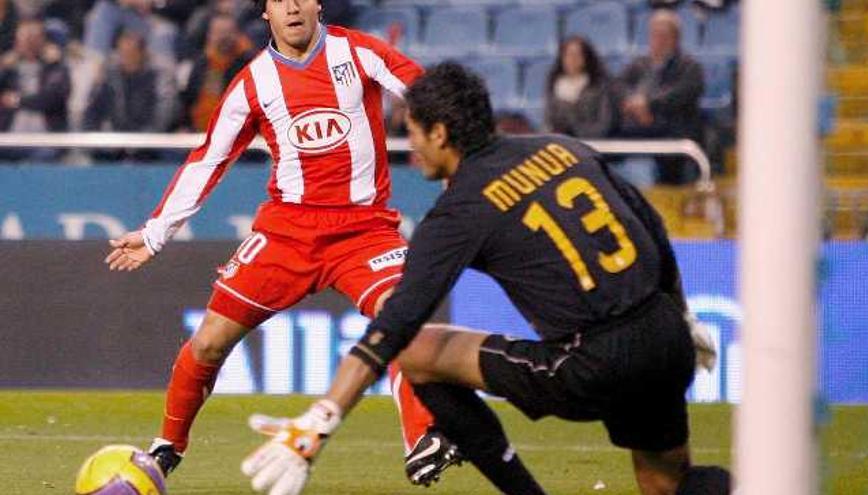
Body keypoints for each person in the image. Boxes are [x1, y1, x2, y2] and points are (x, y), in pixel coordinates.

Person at [239, 62, 730, 495]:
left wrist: (322, 419)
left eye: (412, 132)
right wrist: (680, 314)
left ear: (438, 133)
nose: (410, 149)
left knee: (418, 356)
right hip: (665, 336)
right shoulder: (562, 148)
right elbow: (649, 225)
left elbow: (398, 323)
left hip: (593, 362)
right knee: (667, 483)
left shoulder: (462, 210)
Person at [104, 0, 457, 486]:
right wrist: (155, 232)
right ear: (265, 12)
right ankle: (167, 447)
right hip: (286, 234)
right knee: (208, 341)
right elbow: (210, 159)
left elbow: (430, 96)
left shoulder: (359, 52)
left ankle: (423, 438)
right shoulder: (253, 82)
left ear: (316, 4)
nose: (291, 6)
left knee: (402, 319)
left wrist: (464, 158)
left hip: (365, 231)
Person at [617, 9, 704, 184]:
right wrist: (634, 104)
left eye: (664, 35)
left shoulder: (689, 67)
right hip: (638, 129)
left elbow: (681, 94)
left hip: (672, 132)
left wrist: (648, 105)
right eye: (655, 35)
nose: (658, 40)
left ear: (675, 38)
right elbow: (619, 87)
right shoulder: (639, 64)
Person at [83, 30, 161, 160]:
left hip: (148, 145)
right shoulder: (110, 78)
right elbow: (91, 113)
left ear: (141, 53)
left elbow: (161, 115)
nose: (126, 57)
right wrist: (95, 140)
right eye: (122, 52)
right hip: (116, 143)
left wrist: (141, 141)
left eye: (131, 53)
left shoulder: (156, 78)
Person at [0, 18, 70, 160]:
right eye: (24, 37)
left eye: (34, 37)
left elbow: (52, 99)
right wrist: (2, 68)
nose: (29, 43)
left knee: (44, 156)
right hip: (9, 138)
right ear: (16, 40)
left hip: (45, 140)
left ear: (43, 41)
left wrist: (17, 100)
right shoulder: (9, 70)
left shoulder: (55, 68)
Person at [177, 13, 255, 132]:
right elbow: (188, 100)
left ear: (237, 34)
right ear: (209, 36)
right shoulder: (201, 63)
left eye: (227, 32)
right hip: (197, 133)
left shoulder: (251, 64)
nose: (223, 37)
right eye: (218, 32)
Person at [544, 35, 618, 139]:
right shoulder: (554, 84)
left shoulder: (600, 86)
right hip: (560, 144)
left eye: (577, 55)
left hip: (592, 143)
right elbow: (548, 120)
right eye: (568, 55)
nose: (572, 59)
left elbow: (604, 123)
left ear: (586, 58)